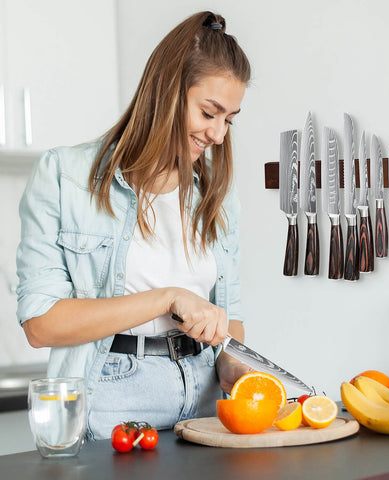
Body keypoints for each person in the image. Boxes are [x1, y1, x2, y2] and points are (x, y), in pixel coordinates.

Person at [16, 11, 252, 440]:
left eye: (229, 119)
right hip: (111, 404)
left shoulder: (217, 193)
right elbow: (41, 323)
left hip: (205, 406)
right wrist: (168, 298)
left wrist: (231, 363)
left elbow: (229, 318)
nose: (218, 134)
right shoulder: (64, 176)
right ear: (166, 91)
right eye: (208, 112)